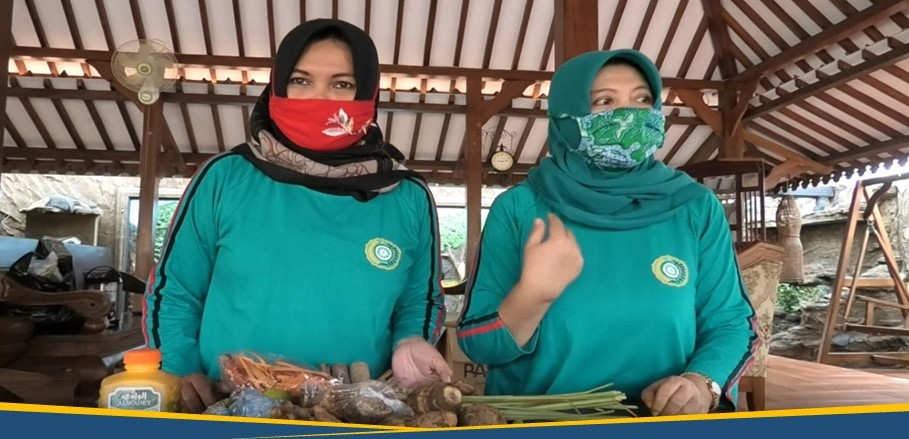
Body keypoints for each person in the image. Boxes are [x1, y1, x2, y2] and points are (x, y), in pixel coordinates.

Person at [143, 19, 451, 413]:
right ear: (278, 85)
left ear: (369, 93)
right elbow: (176, 289)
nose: (319, 99)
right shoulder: (226, 177)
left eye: (342, 84)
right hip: (228, 407)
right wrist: (177, 368)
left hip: (355, 412)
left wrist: (410, 337)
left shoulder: (406, 196)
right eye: (301, 81)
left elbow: (418, 297)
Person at [456, 49, 758, 416]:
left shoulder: (694, 206)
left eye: (643, 99)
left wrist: (701, 383)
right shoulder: (520, 208)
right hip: (538, 421)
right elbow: (477, 343)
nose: (628, 114)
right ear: (565, 117)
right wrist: (532, 295)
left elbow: (730, 321)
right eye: (604, 101)